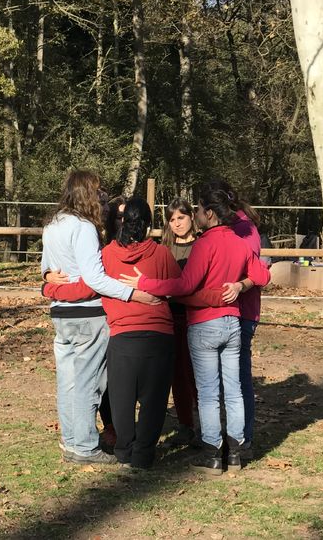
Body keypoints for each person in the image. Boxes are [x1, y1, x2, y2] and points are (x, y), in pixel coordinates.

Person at [118, 184, 271, 475]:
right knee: (234, 390)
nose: (197, 214)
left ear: (209, 214)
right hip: (232, 322)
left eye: (199, 210)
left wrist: (145, 284)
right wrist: (240, 285)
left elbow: (184, 285)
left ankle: (212, 453)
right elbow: (262, 274)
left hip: (204, 324)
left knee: (209, 391)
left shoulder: (205, 244)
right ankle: (235, 452)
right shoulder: (239, 242)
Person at [46, 198, 179, 468]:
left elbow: (88, 284)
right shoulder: (162, 254)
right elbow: (180, 285)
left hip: (121, 333)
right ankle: (143, 454)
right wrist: (150, 287)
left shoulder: (106, 254)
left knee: (121, 398)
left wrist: (49, 285)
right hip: (158, 333)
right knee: (154, 399)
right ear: (148, 225)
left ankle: (123, 450)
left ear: (122, 222)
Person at [204, 179, 269, 456]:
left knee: (237, 379)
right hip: (224, 311)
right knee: (226, 380)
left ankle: (243, 440)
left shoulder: (243, 229)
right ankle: (225, 437)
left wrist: (240, 285)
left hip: (241, 312)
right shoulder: (225, 228)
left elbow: (258, 271)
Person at [161, 198, 199, 445]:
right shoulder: (164, 249)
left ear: (191, 217)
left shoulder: (202, 246)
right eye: (172, 219)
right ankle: (186, 424)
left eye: (181, 218)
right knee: (177, 375)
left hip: (196, 317)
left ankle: (206, 424)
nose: (177, 223)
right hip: (170, 317)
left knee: (197, 374)